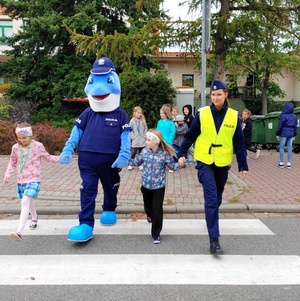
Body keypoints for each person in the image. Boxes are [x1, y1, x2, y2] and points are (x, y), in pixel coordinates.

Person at [178, 80, 248, 255]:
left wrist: (243, 165)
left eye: (219, 94)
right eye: (213, 95)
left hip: (223, 164)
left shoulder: (234, 116)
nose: (216, 98)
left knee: (216, 199)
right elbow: (190, 135)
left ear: (225, 95)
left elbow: (239, 143)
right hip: (204, 162)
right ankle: (214, 241)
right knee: (211, 198)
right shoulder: (202, 114)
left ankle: (212, 217)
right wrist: (182, 153)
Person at [4, 123, 59, 241]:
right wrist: (8, 174)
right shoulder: (15, 148)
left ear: (30, 135)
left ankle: (19, 232)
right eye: (19, 138)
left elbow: (48, 157)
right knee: (29, 201)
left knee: (25, 201)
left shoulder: (38, 146)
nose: (21, 140)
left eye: (24, 138)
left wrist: (61, 159)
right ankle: (34, 218)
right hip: (21, 179)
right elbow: (12, 162)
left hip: (34, 178)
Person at [128, 129, 182, 244]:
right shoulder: (144, 152)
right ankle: (150, 215)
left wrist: (181, 164)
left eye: (148, 140)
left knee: (157, 209)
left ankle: (156, 234)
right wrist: (125, 160)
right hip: (146, 185)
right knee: (148, 207)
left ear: (155, 142)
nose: (146, 142)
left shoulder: (164, 154)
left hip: (159, 187)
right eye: (146, 140)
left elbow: (172, 166)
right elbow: (136, 162)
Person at [276, 102, 298, 169]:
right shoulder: (294, 116)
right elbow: (295, 126)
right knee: (289, 148)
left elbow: (280, 126)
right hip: (291, 132)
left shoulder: (283, 116)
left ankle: (281, 163)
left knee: (282, 147)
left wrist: (277, 133)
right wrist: (294, 134)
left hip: (284, 132)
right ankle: (289, 163)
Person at [128, 106, 148, 171]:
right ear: (134, 113)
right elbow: (129, 130)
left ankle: (140, 164)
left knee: (141, 153)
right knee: (133, 152)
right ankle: (131, 164)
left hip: (142, 139)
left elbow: (146, 129)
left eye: (140, 113)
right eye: (138, 113)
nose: (139, 114)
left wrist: (145, 135)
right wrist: (132, 136)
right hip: (135, 139)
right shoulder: (132, 121)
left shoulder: (143, 120)